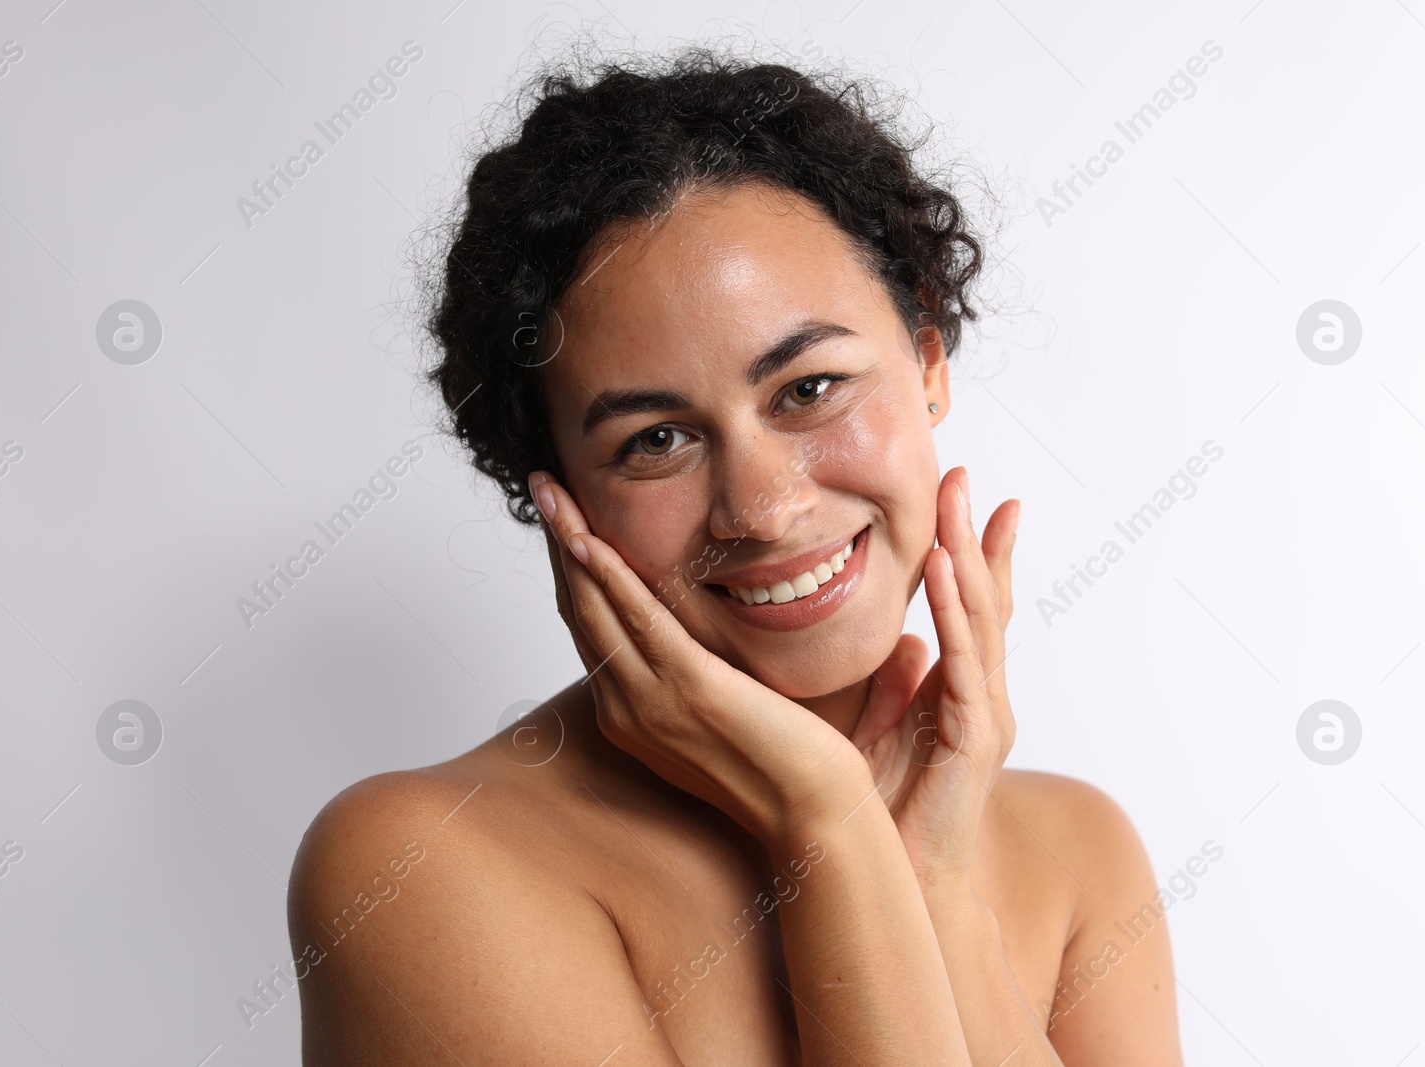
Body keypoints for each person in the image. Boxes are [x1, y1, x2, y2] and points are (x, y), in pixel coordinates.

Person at [287, 44, 1182, 1065]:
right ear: (561, 497)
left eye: (808, 387)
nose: (760, 507)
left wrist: (930, 882)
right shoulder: (415, 868)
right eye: (655, 439)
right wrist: (832, 824)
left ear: (927, 359)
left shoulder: (1079, 851)